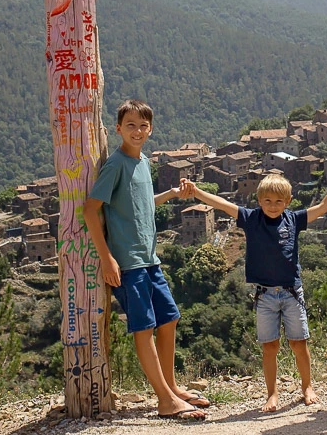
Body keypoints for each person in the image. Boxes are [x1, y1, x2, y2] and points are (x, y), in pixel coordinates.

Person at [84, 100, 208, 421]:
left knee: (169, 319)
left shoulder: (142, 163)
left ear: (150, 129)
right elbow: (90, 209)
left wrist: (170, 195)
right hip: (128, 263)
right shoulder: (115, 165)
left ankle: (172, 387)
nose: (137, 131)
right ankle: (165, 399)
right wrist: (107, 258)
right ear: (118, 129)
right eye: (130, 125)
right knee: (145, 328)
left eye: (143, 126)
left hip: (149, 260)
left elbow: (140, 202)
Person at [181, 173, 327, 412]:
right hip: (265, 296)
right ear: (259, 200)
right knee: (270, 347)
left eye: (279, 201)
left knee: (299, 344)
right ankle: (272, 394)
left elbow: (322, 207)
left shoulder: (294, 219)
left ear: (288, 201)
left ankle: (307, 387)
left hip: (291, 293)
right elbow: (221, 204)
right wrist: (196, 192)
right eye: (267, 201)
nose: (273, 206)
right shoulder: (250, 218)